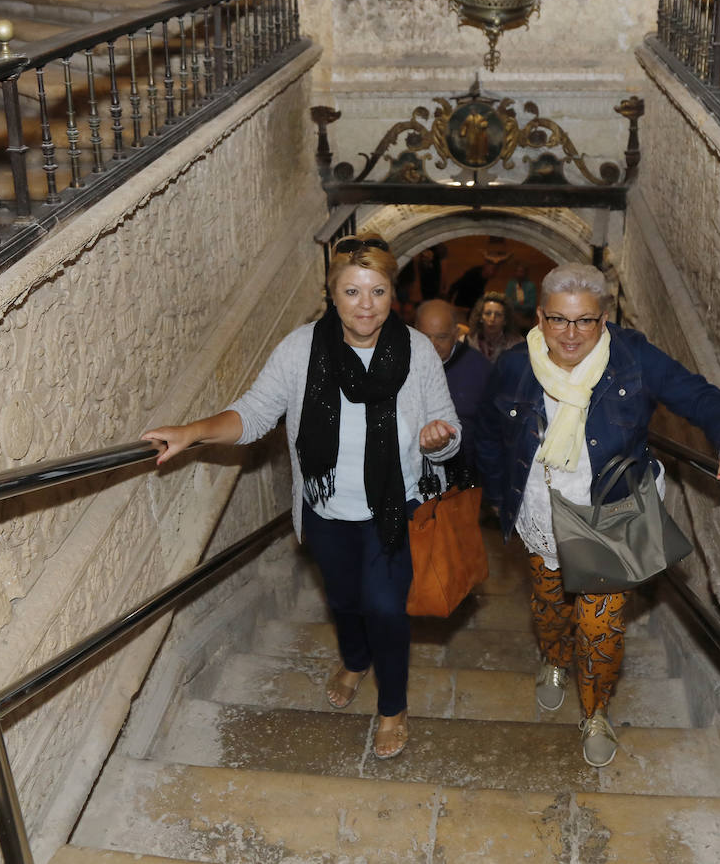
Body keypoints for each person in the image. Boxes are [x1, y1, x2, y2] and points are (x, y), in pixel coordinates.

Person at [143, 234, 460, 761]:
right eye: (353, 292)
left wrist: (441, 440)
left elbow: (451, 428)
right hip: (326, 509)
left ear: (392, 295)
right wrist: (192, 431)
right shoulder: (299, 350)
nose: (366, 305)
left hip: (396, 505)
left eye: (378, 292)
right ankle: (355, 661)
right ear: (331, 294)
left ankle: (393, 706)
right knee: (344, 601)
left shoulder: (417, 350)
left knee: (385, 607)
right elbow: (256, 413)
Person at [473, 263, 720, 768]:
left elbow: (701, 396)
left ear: (603, 318)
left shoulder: (633, 359)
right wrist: (498, 499)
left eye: (585, 321)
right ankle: (553, 658)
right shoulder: (515, 366)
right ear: (541, 318)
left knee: (601, 626)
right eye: (559, 321)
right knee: (549, 609)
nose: (571, 335)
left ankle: (596, 710)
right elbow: (488, 434)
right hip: (543, 510)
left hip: (612, 511)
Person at [414, 298, 491, 483]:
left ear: (456, 333)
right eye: (425, 336)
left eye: (441, 337)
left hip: (464, 478)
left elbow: (491, 433)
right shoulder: (397, 366)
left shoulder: (481, 370)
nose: (432, 345)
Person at [464, 291, 523, 365]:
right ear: (480, 317)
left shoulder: (517, 344)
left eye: (498, 315)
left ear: (505, 320)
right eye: (488, 313)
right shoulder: (467, 341)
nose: (492, 319)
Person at [504, 262, 537, 335]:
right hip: (513, 314)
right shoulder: (511, 284)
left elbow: (531, 305)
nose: (519, 274)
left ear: (526, 273)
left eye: (521, 271)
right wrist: (519, 304)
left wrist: (516, 305)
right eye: (517, 271)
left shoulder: (530, 286)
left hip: (526, 315)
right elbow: (507, 302)